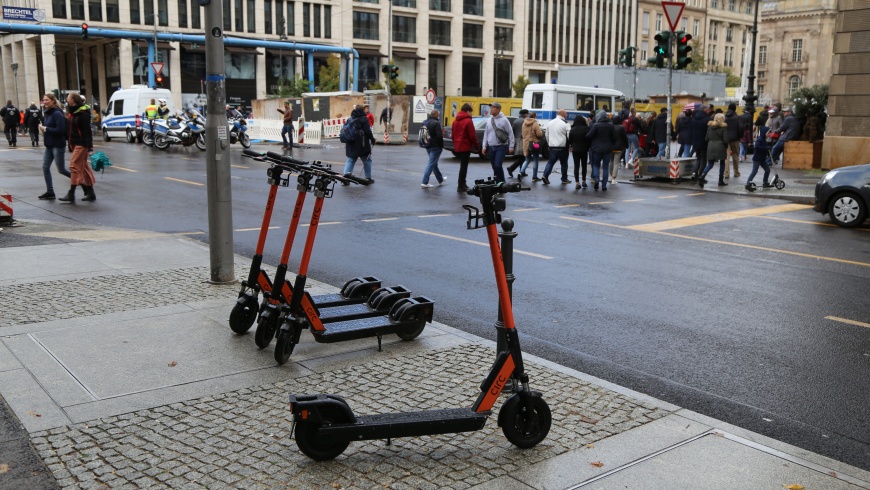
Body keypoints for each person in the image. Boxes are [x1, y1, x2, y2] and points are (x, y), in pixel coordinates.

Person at [59, 93, 96, 202]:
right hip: (75, 143)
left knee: (74, 166)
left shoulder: (83, 114)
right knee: (84, 167)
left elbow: (87, 131)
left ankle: (71, 193)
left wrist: (90, 147)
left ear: (73, 100)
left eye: (68, 98)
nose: (67, 99)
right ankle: (91, 192)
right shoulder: (73, 112)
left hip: (81, 143)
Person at [36, 93, 70, 200]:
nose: (45, 102)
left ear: (53, 101)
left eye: (47, 100)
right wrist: (43, 129)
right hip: (49, 145)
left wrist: (46, 129)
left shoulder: (57, 114)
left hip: (58, 145)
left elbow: (60, 130)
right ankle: (50, 191)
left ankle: (82, 183)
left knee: (61, 170)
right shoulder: (48, 113)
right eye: (44, 100)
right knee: (45, 167)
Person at [480, 101, 514, 183]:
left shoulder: (504, 120)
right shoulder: (489, 120)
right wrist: (484, 146)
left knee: (498, 165)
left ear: (498, 109)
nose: (491, 109)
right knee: (494, 166)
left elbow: (510, 133)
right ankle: (497, 182)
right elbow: (486, 133)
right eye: (491, 108)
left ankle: (502, 182)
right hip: (491, 146)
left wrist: (511, 146)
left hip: (501, 146)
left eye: (493, 108)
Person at [342, 105, 376, 185]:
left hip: (351, 143)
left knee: (351, 160)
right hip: (362, 144)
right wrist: (372, 139)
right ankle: (368, 177)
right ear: (362, 111)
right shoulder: (364, 119)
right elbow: (367, 131)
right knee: (367, 160)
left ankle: (346, 176)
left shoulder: (350, 119)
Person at [451, 103, 478, 193]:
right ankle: (461, 185)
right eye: (471, 112)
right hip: (465, 146)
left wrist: (455, 143)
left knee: (462, 166)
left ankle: (462, 183)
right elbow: (472, 135)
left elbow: (453, 135)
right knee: (464, 167)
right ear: (467, 111)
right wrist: (476, 145)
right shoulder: (468, 121)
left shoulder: (455, 121)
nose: (471, 114)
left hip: (458, 146)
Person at [586, 110, 616, 191]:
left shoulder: (596, 125)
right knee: (605, 167)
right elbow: (614, 138)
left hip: (596, 148)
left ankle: (596, 179)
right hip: (607, 149)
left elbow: (589, 136)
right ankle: (604, 185)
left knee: (596, 165)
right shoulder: (611, 125)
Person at [697, 112, 729, 188]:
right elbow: (725, 139)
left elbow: (706, 138)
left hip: (711, 146)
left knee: (710, 164)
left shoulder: (710, 127)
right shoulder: (723, 128)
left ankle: (702, 176)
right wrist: (726, 146)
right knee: (722, 163)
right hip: (720, 146)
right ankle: (720, 180)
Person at [540, 109, 571, 185]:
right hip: (562, 147)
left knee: (551, 162)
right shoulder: (566, 123)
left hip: (552, 146)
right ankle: (564, 178)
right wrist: (570, 144)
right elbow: (569, 135)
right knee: (564, 163)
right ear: (563, 114)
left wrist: (549, 143)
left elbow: (547, 134)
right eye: (566, 113)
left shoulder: (550, 122)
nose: (567, 115)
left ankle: (545, 175)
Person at [420, 109, 446, 188]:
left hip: (427, 145)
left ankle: (440, 179)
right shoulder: (436, 123)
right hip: (435, 146)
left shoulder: (425, 122)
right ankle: (424, 182)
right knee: (431, 164)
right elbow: (439, 136)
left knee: (433, 164)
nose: (439, 116)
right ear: (435, 115)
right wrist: (442, 146)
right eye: (438, 114)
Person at [745, 126, 773, 192]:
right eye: (769, 133)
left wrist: (768, 153)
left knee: (767, 170)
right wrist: (766, 148)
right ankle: (748, 183)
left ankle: (765, 182)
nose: (770, 135)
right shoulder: (760, 139)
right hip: (757, 159)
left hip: (762, 159)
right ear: (764, 133)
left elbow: (765, 148)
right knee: (754, 171)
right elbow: (757, 147)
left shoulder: (764, 139)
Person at [689, 104, 713, 179]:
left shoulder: (694, 119)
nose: (709, 110)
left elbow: (691, 130)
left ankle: (694, 172)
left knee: (698, 158)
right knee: (703, 159)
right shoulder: (707, 119)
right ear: (706, 110)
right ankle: (700, 176)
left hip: (695, 141)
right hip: (704, 142)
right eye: (709, 109)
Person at [519, 111, 544, 182]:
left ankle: (521, 172)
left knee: (527, 159)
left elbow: (523, 134)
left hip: (526, 143)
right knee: (536, 159)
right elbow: (539, 134)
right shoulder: (535, 123)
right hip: (534, 143)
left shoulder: (524, 123)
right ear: (535, 116)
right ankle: (534, 177)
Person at [568, 116, 590, 189]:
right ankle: (584, 181)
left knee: (576, 166)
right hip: (584, 149)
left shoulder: (572, 129)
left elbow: (570, 140)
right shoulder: (586, 128)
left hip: (575, 149)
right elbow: (588, 139)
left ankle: (577, 182)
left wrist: (572, 146)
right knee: (584, 166)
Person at [506, 109, 529, 177]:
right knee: (522, 157)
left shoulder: (515, 121)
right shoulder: (525, 121)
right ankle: (511, 168)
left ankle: (522, 171)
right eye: (527, 114)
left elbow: (512, 131)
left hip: (516, 140)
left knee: (522, 157)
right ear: (525, 114)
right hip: (523, 140)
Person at [724, 103, 741, 178]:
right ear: (735, 109)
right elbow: (741, 128)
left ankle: (726, 173)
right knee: (735, 155)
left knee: (726, 156)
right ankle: (736, 172)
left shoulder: (724, 117)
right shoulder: (737, 117)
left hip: (726, 139)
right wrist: (739, 137)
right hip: (735, 139)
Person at [610, 117, 628, 185]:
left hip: (611, 147)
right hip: (619, 147)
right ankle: (614, 178)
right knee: (616, 163)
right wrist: (626, 145)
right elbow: (624, 137)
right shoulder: (621, 127)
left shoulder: (610, 126)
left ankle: (611, 175)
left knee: (611, 161)